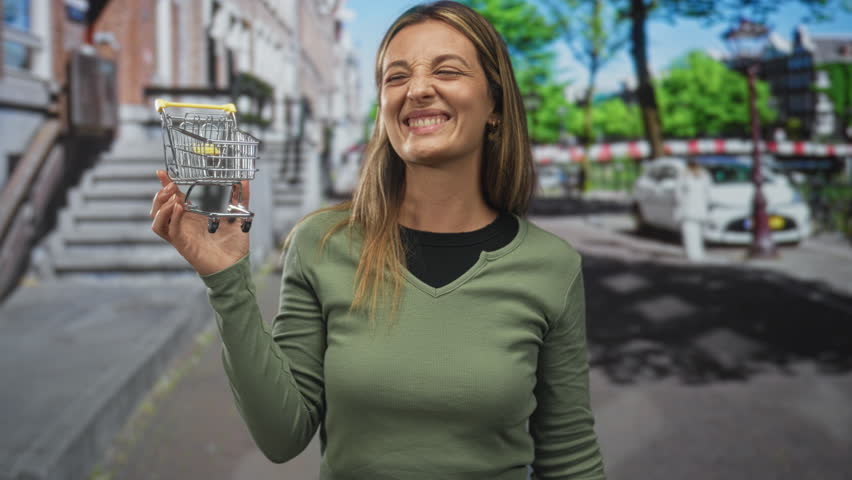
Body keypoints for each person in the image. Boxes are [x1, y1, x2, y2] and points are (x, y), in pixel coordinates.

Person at [150, 2, 606, 478]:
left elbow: (570, 457)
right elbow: (282, 436)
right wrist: (226, 281)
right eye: (396, 77)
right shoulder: (321, 244)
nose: (419, 89)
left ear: (494, 104)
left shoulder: (551, 265)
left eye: (447, 70)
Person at [676, 158, 712, 262]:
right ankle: (698, 253)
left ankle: (693, 253)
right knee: (698, 233)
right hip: (699, 209)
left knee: (690, 233)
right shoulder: (704, 175)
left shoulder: (684, 176)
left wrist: (680, 204)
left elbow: (678, 194)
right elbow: (708, 192)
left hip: (688, 209)